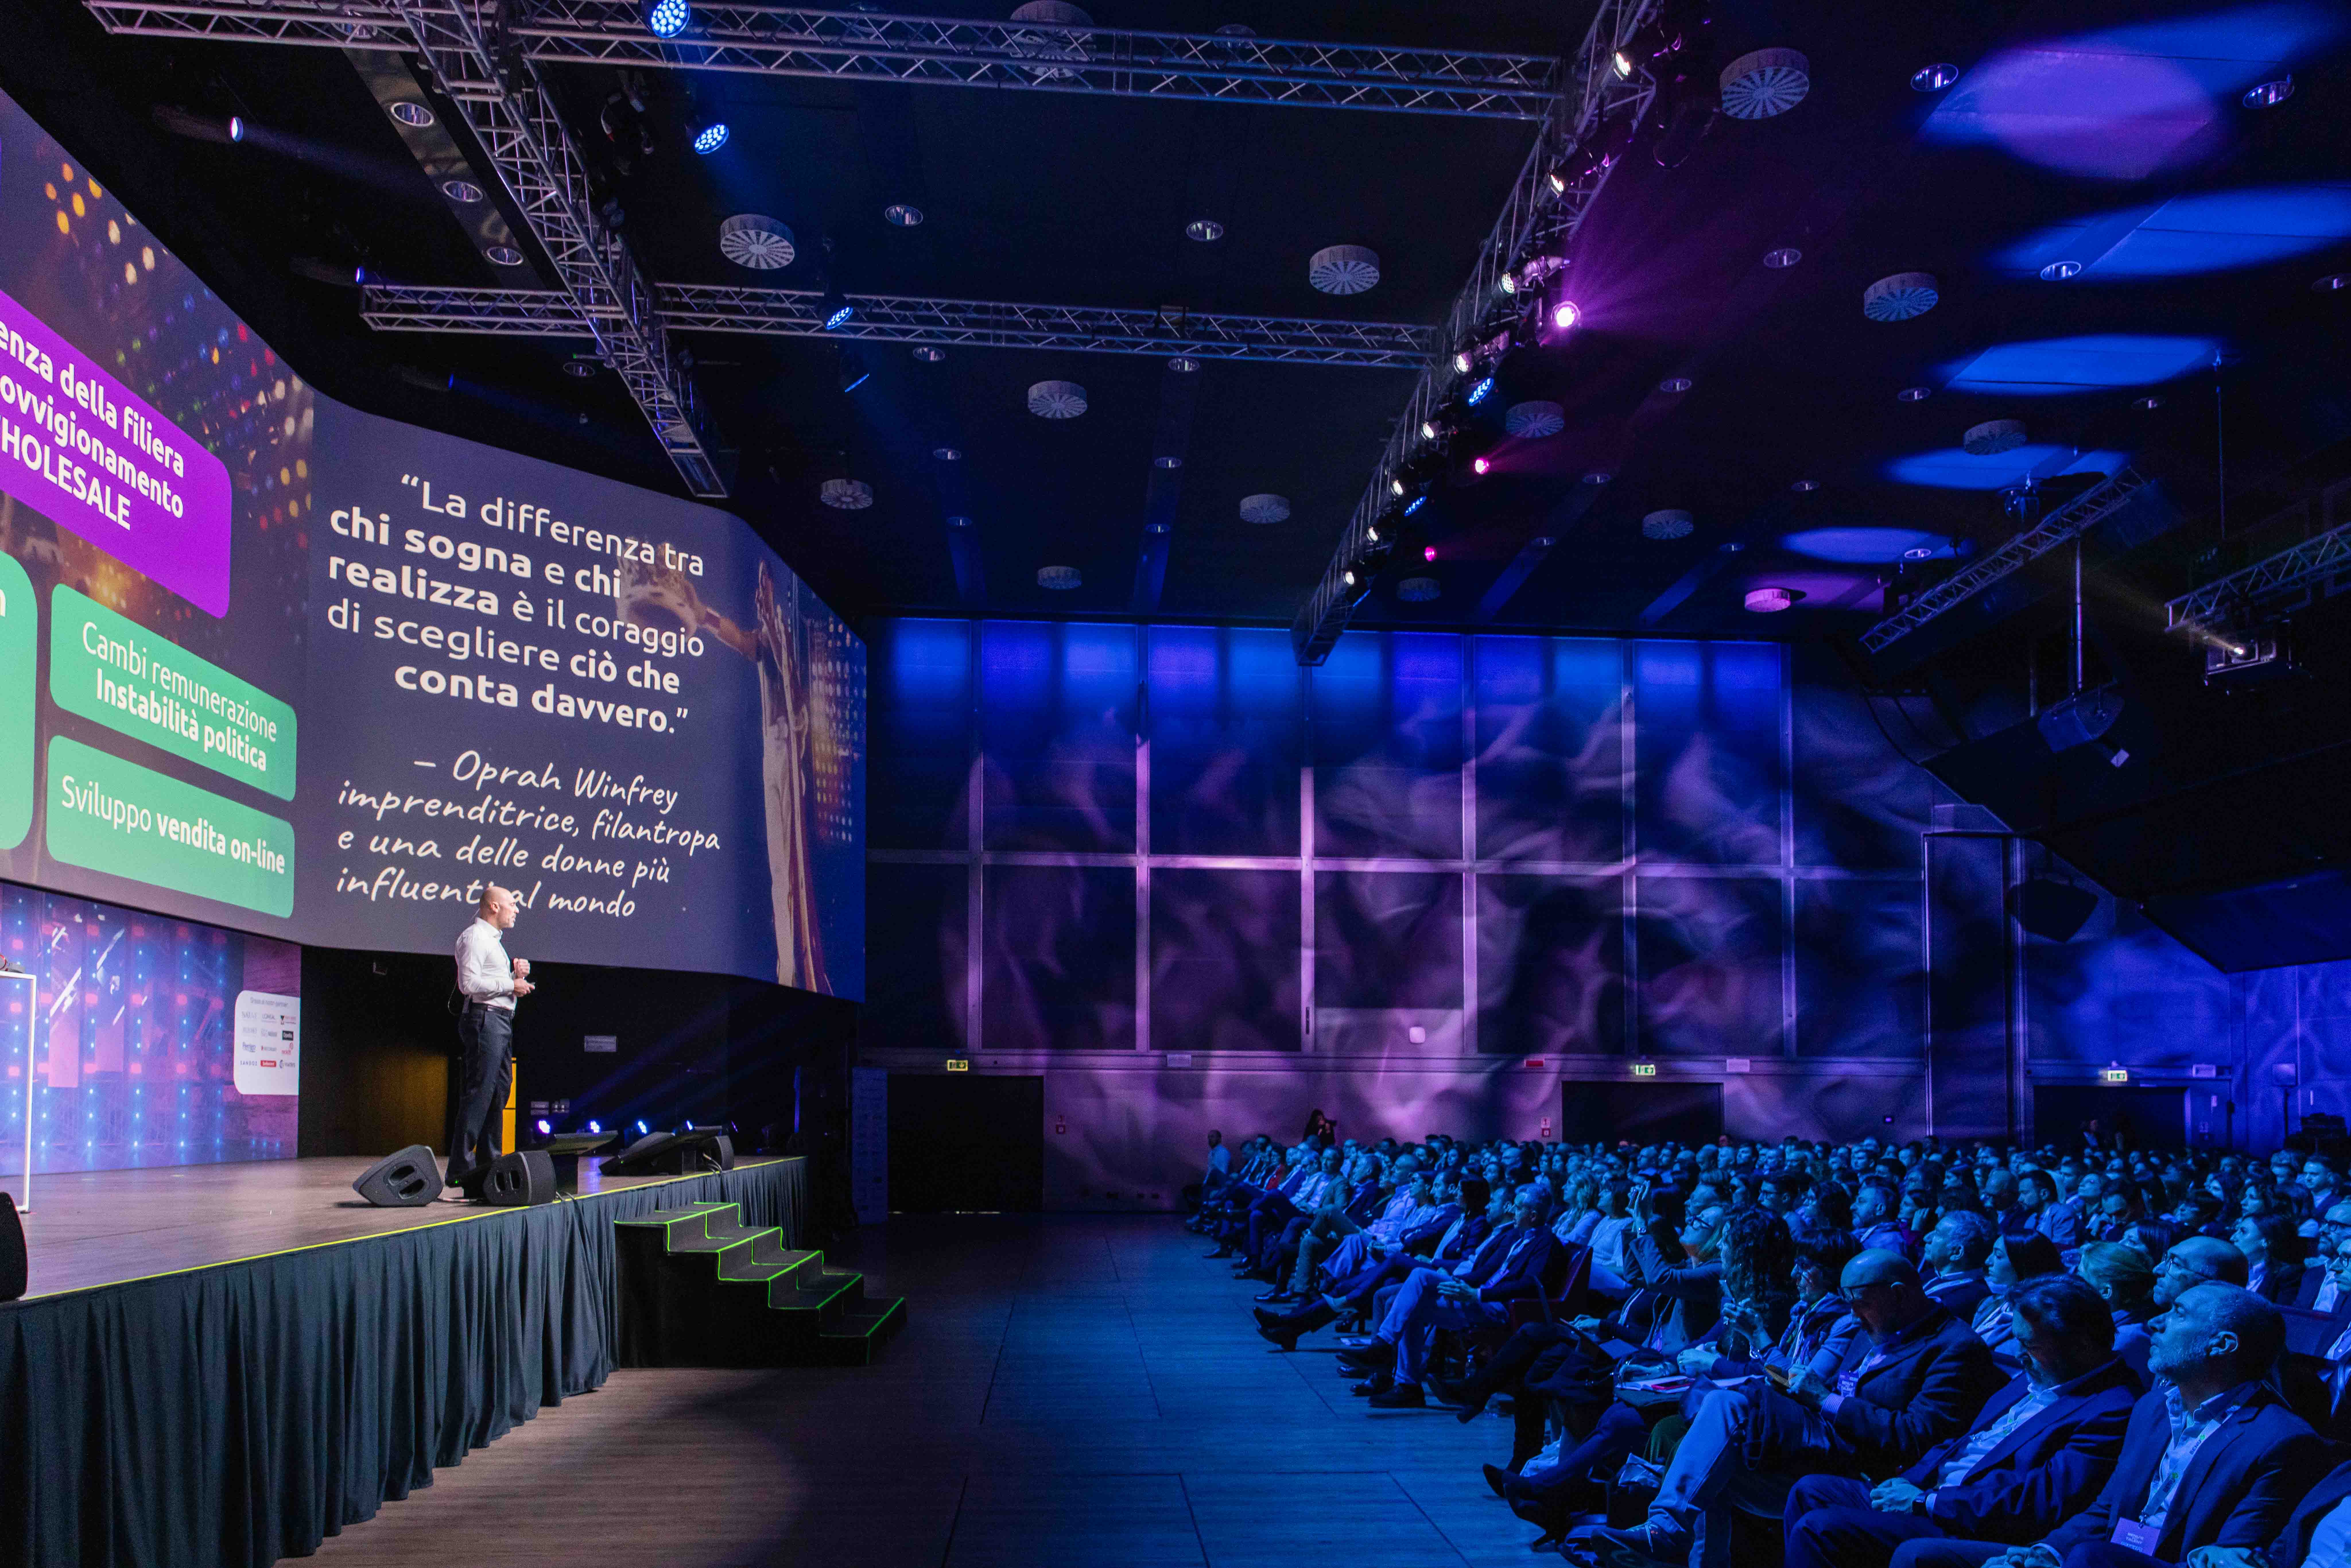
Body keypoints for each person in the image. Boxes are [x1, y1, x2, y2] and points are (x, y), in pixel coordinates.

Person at [1570, 1249, 2003, 1568]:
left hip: (1863, 1466)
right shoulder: (1870, 1325)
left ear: (1898, 1295)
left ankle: (1663, 1530)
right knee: (1714, 1462)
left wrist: (1827, 1399)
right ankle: (1669, 1535)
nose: (1851, 1312)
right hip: (1816, 1438)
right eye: (1848, 1299)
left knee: (1719, 1413)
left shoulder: (1954, 1348)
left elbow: (1915, 1435)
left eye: (1859, 1300)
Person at [1782, 1275, 2141, 1568]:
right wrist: (1906, 1482)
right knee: (1810, 1490)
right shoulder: (2041, 1371)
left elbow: (2038, 1499)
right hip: (1930, 1490)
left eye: (2028, 1345)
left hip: (1971, 1520)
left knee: (1820, 1529)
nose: (2018, 1354)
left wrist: (1927, 1502)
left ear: (2080, 1345)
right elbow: (1962, 1441)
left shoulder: (2111, 1408)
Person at [1963, 1284, 2325, 1568]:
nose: (2155, 1321)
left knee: (2092, 1557)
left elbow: (2227, 1557)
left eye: (2178, 1313)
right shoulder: (2152, 1407)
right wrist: (2045, 1553)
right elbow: (2105, 1509)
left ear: (2221, 1345)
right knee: (1919, 1554)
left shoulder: (2281, 1440)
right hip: (2097, 1556)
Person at [447, 883, 533, 1197]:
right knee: (480, 1093)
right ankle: (460, 1171)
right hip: (484, 1020)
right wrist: (510, 984)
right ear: (494, 907)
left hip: (499, 1020)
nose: (517, 909)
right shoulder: (475, 937)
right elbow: (468, 984)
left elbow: (493, 983)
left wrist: (514, 975)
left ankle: (488, 1168)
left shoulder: (494, 942)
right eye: (512, 903)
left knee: (498, 1093)